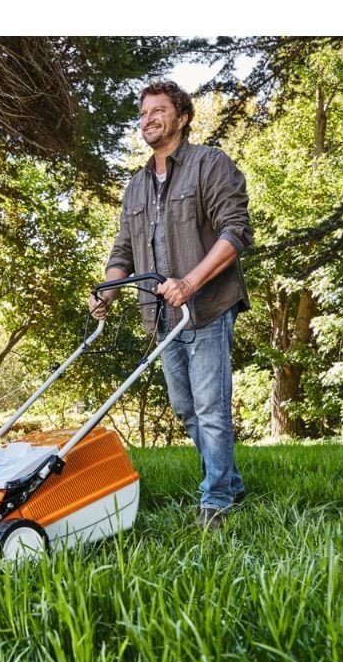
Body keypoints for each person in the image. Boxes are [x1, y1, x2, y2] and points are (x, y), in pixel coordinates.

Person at [89, 81, 253, 530]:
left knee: (211, 410)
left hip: (206, 308)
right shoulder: (136, 187)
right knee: (186, 409)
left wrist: (190, 282)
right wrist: (108, 291)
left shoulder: (209, 164)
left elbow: (236, 231)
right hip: (162, 317)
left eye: (158, 111)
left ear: (182, 118)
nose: (148, 119)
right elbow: (123, 251)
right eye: (143, 113)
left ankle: (216, 500)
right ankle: (230, 482)